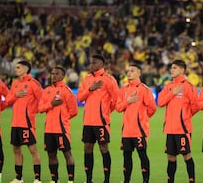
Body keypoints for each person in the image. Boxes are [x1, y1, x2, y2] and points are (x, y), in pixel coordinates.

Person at [77, 54, 119, 183]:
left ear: (101, 64)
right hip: (88, 122)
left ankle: (106, 180)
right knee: (87, 148)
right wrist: (90, 89)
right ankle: (89, 179)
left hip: (101, 122)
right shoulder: (87, 79)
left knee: (103, 148)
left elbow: (116, 100)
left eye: (93, 63)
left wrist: (105, 112)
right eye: (90, 63)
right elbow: (79, 98)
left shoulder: (109, 79)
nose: (91, 65)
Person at [157, 59, 199, 183]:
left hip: (183, 129)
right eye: (171, 67)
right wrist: (172, 93)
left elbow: (195, 106)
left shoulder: (188, 86)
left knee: (187, 156)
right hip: (170, 128)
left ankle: (191, 180)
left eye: (174, 68)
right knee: (170, 157)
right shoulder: (168, 86)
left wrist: (184, 117)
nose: (171, 70)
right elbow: (160, 102)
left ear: (182, 70)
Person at [115, 64, 157, 183]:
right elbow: (118, 108)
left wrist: (142, 118)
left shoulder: (144, 89)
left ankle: (145, 180)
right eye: (128, 71)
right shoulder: (123, 89)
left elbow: (152, 108)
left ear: (139, 73)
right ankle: (126, 180)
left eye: (132, 71)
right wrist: (127, 102)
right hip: (126, 130)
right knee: (126, 156)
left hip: (139, 130)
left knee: (142, 155)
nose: (129, 73)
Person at [2, 61, 42, 183]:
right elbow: (8, 100)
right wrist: (16, 95)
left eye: (18, 67)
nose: (15, 69)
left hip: (27, 123)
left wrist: (32, 112)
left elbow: (42, 100)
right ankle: (19, 178)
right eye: (15, 67)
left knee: (33, 150)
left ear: (26, 69)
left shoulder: (34, 84)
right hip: (15, 123)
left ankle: (37, 179)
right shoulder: (14, 84)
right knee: (16, 150)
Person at [38, 66, 78, 183]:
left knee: (67, 153)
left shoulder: (67, 91)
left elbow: (74, 111)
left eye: (56, 74)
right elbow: (40, 108)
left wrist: (62, 118)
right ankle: (54, 179)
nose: (53, 76)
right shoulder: (46, 91)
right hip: (49, 130)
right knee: (51, 155)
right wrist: (51, 104)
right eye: (52, 73)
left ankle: (71, 180)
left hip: (61, 129)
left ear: (62, 76)